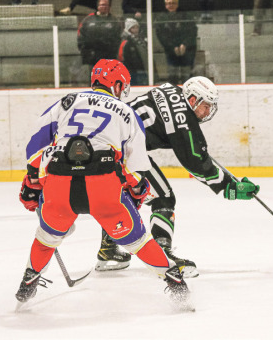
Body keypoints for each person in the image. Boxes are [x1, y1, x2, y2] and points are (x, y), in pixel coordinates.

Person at [16, 59, 189, 306]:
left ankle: (28, 281)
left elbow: (35, 146)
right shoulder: (126, 112)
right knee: (139, 242)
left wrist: (33, 182)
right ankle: (175, 282)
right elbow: (137, 169)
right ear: (117, 84)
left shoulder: (67, 101)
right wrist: (136, 192)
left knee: (46, 238)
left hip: (60, 185)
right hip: (104, 188)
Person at [94, 76, 260, 278]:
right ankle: (163, 256)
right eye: (206, 106)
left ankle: (108, 250)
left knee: (128, 194)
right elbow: (196, 163)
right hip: (124, 151)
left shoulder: (171, 89)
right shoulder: (182, 118)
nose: (208, 112)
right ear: (192, 100)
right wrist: (229, 187)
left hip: (108, 146)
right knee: (163, 197)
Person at [155, 0, 198, 85]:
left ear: (177, 5)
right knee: (172, 74)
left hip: (186, 51)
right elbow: (162, 36)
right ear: (166, 5)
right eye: (169, 3)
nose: (171, 5)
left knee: (186, 75)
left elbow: (192, 32)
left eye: (173, 3)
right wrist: (172, 47)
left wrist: (184, 44)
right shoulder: (161, 18)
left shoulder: (186, 16)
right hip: (171, 51)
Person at [77, 0, 122, 73]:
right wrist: (84, 51)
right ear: (98, 6)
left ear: (109, 7)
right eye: (102, 5)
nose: (104, 7)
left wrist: (113, 51)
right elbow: (81, 35)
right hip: (92, 57)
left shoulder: (114, 21)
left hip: (109, 57)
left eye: (106, 5)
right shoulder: (88, 19)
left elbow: (118, 38)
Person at [118, 18, 148, 86]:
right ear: (128, 29)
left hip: (141, 68)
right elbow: (121, 56)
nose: (136, 29)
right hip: (131, 70)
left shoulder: (141, 40)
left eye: (137, 27)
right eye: (133, 28)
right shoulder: (125, 41)